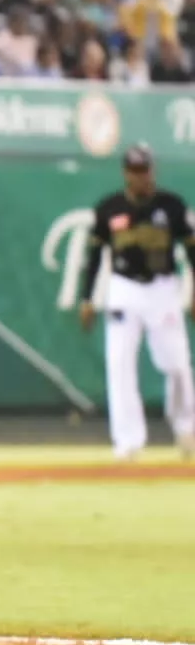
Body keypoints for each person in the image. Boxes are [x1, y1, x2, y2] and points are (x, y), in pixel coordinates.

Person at [77, 144, 195, 462]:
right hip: (123, 288)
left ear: (153, 171)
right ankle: (128, 443)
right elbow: (93, 257)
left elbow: (191, 251)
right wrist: (87, 298)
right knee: (119, 365)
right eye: (134, 171)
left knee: (178, 365)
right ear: (125, 172)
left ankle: (186, 429)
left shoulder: (171, 206)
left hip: (163, 288)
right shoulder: (109, 208)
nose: (140, 177)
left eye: (144, 170)